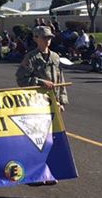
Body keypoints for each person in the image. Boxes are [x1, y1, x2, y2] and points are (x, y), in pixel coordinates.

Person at [15, 25, 68, 186]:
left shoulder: (55, 57)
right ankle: (35, 174)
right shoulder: (31, 58)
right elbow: (21, 79)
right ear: (36, 39)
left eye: (49, 38)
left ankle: (50, 172)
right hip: (37, 104)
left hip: (53, 103)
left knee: (52, 139)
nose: (47, 40)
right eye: (44, 38)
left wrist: (61, 101)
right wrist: (39, 82)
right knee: (37, 140)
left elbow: (60, 79)